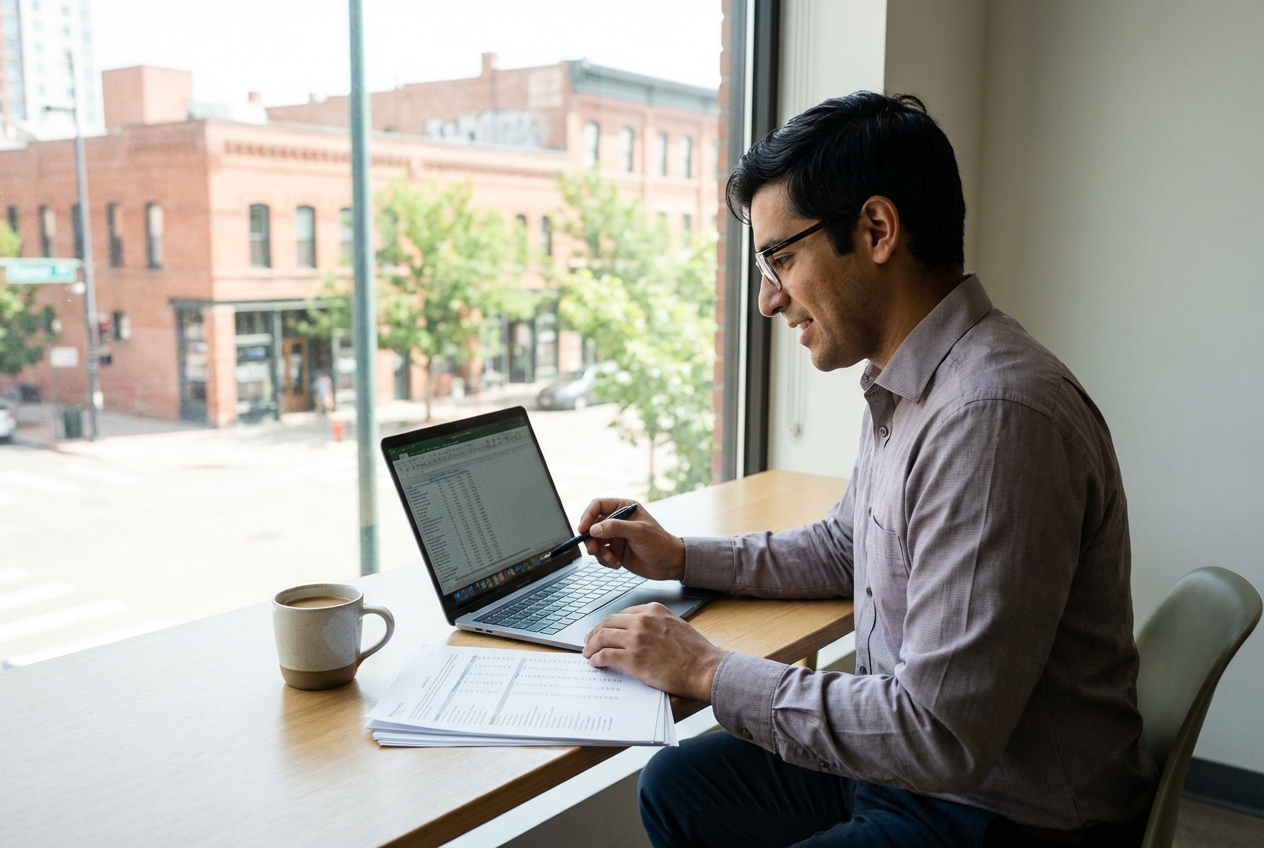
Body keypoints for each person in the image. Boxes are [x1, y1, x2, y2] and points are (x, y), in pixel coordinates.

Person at [577, 92, 1156, 848]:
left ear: (877, 230)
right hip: (920, 774)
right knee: (680, 786)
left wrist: (708, 671)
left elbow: (939, 734)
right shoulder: (909, 380)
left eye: (781, 258)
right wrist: (682, 556)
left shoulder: (992, 416)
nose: (768, 299)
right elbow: (846, 545)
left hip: (1000, 812)